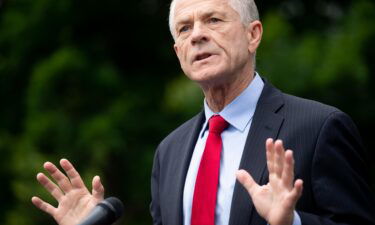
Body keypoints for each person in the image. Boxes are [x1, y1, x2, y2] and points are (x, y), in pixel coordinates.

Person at [32, 0, 375, 224]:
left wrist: (292, 223)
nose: (197, 35)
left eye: (213, 20)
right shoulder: (169, 151)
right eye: (184, 28)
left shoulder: (319, 127)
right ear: (177, 50)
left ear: (253, 35)